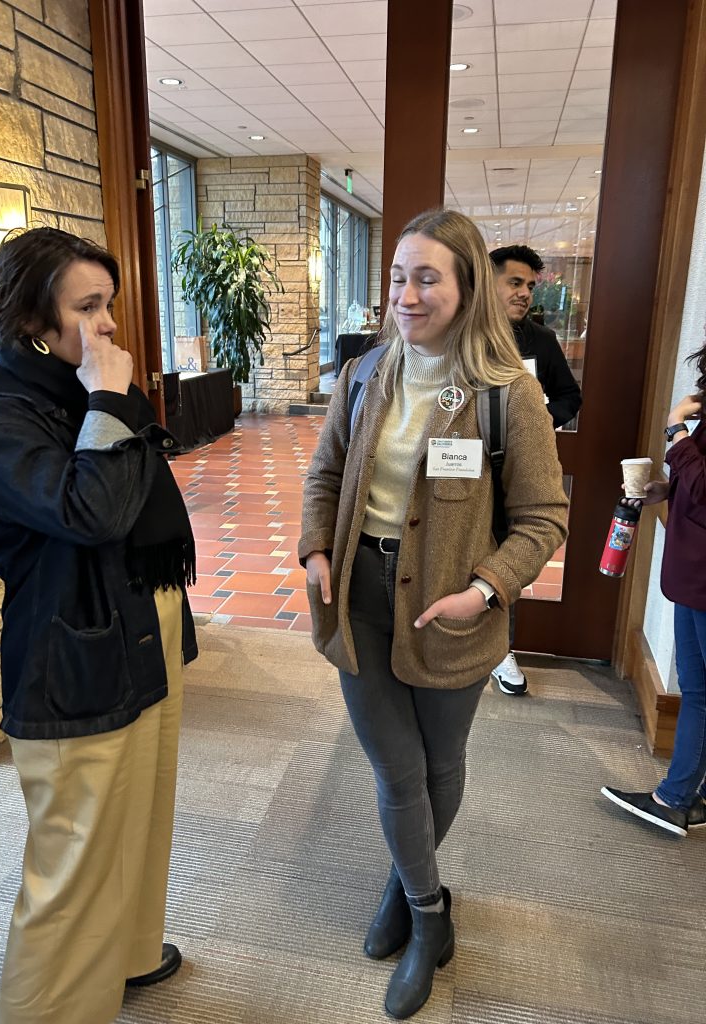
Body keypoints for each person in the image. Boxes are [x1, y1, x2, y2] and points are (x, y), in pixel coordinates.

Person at [299, 209, 568, 1020]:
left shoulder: (507, 394)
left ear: (466, 287)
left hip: (452, 610)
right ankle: (427, 913)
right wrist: (316, 550)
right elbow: (324, 474)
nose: (406, 295)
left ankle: (402, 883)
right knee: (396, 769)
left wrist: (484, 590)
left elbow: (544, 518)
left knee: (439, 764)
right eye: (397, 277)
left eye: (426, 278)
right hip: (360, 599)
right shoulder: (364, 373)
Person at [0, 227, 198, 1024]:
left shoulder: (77, 390)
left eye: (109, 304)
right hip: (72, 652)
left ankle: (126, 952)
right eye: (87, 307)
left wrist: (105, 401)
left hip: (140, 622)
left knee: (140, 813)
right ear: (33, 320)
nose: (108, 324)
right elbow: (93, 511)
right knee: (75, 850)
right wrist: (108, 403)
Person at [602, 341, 706, 838]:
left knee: (701, 691)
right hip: (693, 573)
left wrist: (675, 428)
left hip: (702, 577)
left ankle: (675, 798)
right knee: (698, 690)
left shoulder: (684, 421)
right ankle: (683, 796)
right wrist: (669, 489)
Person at [488, 244, 583, 695]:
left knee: (510, 555)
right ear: (488, 283)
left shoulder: (541, 341)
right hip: (460, 466)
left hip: (517, 472)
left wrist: (538, 420)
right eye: (515, 282)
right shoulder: (459, 334)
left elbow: (570, 396)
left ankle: (501, 650)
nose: (525, 293)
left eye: (529, 285)